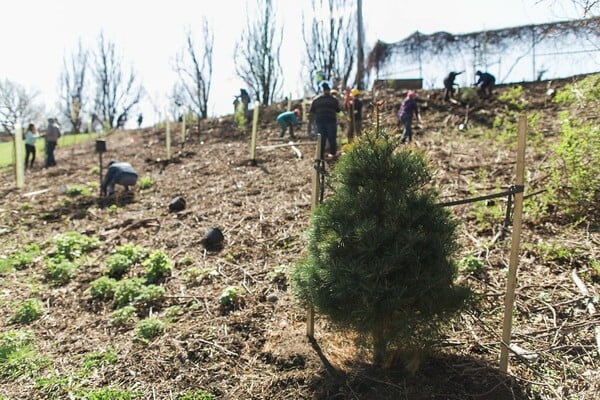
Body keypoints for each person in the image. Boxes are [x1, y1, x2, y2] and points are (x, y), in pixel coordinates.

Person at [309, 82, 341, 160]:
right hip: (331, 121)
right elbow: (338, 110)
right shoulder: (333, 100)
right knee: (332, 138)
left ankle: (320, 156)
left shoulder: (316, 100)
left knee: (321, 139)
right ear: (329, 90)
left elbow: (311, 111)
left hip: (320, 121)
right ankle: (333, 154)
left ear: (322, 90)